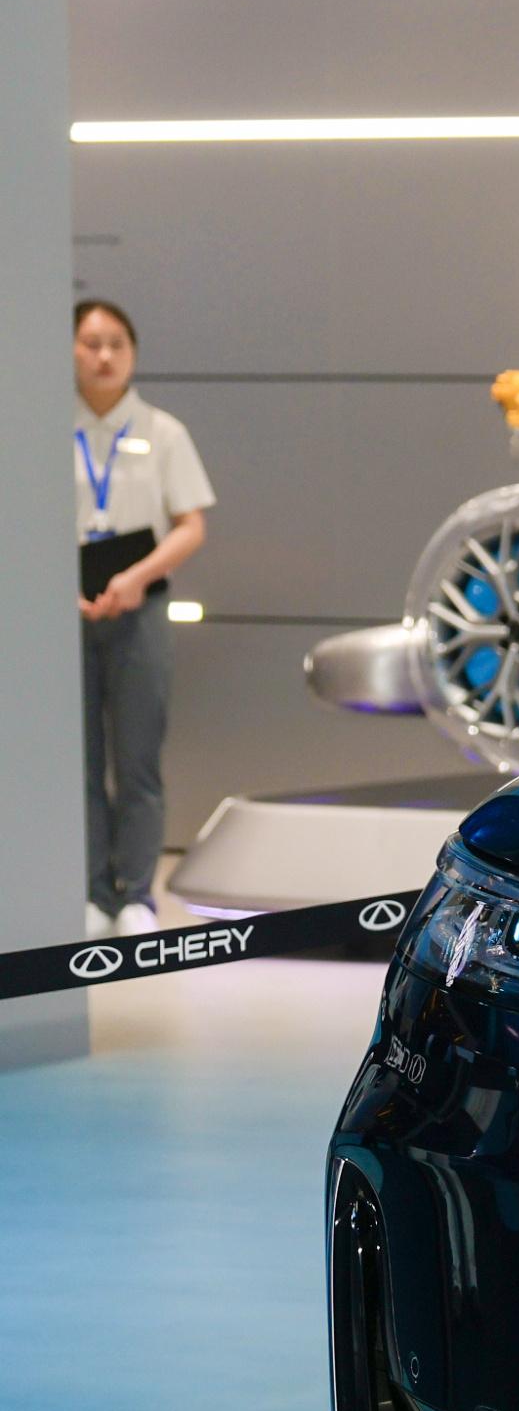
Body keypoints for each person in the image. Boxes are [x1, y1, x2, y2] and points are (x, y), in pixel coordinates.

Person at [71, 298, 214, 938]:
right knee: (77, 759)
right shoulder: (46, 428)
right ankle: (89, 891)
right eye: (91, 343)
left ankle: (136, 893)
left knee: (137, 758)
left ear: (132, 353)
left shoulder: (163, 431)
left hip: (140, 610)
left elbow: (191, 526)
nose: (104, 356)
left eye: (117, 344)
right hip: (67, 617)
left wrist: (134, 578)